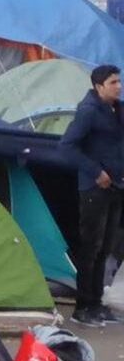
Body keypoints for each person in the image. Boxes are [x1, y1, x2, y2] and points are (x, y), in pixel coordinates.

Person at [61, 64, 124, 327]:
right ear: (99, 86)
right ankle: (82, 306)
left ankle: (97, 303)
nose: (118, 87)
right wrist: (96, 172)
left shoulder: (117, 109)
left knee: (106, 247)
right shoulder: (88, 112)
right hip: (94, 188)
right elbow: (67, 146)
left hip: (116, 187)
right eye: (113, 83)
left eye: (119, 82)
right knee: (91, 247)